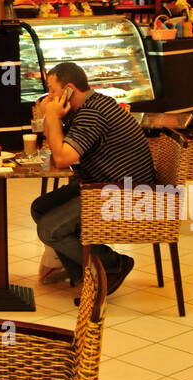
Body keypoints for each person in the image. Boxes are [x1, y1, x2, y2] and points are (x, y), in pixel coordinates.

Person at [30, 61, 155, 298]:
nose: (49, 96)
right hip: (103, 184)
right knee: (41, 208)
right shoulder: (89, 106)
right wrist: (51, 117)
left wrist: (53, 117)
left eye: (52, 90)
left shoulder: (92, 113)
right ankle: (85, 274)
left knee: (48, 229)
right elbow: (54, 148)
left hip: (126, 193)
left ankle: (112, 264)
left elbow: (62, 157)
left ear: (68, 89)